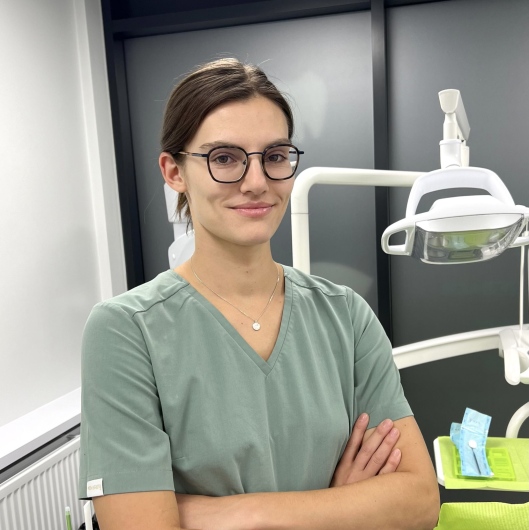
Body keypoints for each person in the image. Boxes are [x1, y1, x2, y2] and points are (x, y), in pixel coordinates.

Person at [78, 58, 440, 530]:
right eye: (224, 158)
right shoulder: (127, 331)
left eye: (274, 156)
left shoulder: (345, 315)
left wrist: (240, 513)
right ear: (174, 172)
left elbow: (419, 502)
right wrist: (340, 507)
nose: (256, 182)